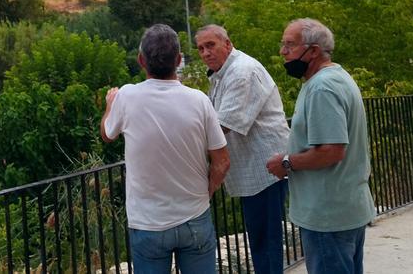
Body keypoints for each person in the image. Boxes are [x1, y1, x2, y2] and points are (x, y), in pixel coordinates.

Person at [101, 24, 230, 274]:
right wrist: (207, 191)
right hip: (195, 217)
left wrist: (109, 104)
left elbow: (107, 134)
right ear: (179, 60)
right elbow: (222, 161)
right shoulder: (199, 101)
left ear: (141, 60)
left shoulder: (127, 97)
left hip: (148, 223)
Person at [266, 19, 374, 274]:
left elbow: (332, 150)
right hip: (344, 209)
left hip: (328, 216)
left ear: (313, 50)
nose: (283, 51)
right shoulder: (335, 78)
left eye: (290, 45)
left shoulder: (322, 88)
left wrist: (286, 162)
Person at [196, 24, 291, 274]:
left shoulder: (242, 72)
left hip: (266, 169)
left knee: (266, 239)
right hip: (254, 171)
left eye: (210, 45)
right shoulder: (222, 74)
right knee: (260, 238)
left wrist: (183, 145)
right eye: (200, 48)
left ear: (227, 44)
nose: (205, 53)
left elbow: (221, 125)